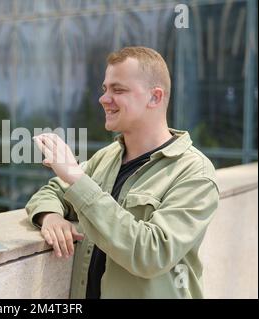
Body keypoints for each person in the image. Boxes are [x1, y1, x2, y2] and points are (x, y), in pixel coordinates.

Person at [25, 46, 219, 299]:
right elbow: (52, 191)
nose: (104, 99)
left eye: (118, 90)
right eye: (105, 89)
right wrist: (50, 217)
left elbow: (151, 254)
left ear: (155, 97)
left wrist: (75, 177)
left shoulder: (194, 173)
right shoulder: (107, 157)